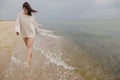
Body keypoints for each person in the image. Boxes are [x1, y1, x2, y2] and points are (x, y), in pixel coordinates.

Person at [15, 2, 39, 68]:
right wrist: (17, 30)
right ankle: (30, 56)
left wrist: (37, 30)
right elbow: (17, 22)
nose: (25, 10)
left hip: (31, 32)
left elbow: (35, 23)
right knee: (28, 46)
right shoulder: (19, 15)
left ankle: (27, 62)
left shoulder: (32, 16)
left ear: (28, 9)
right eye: (24, 8)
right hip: (24, 33)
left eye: (26, 9)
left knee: (28, 46)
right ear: (23, 8)